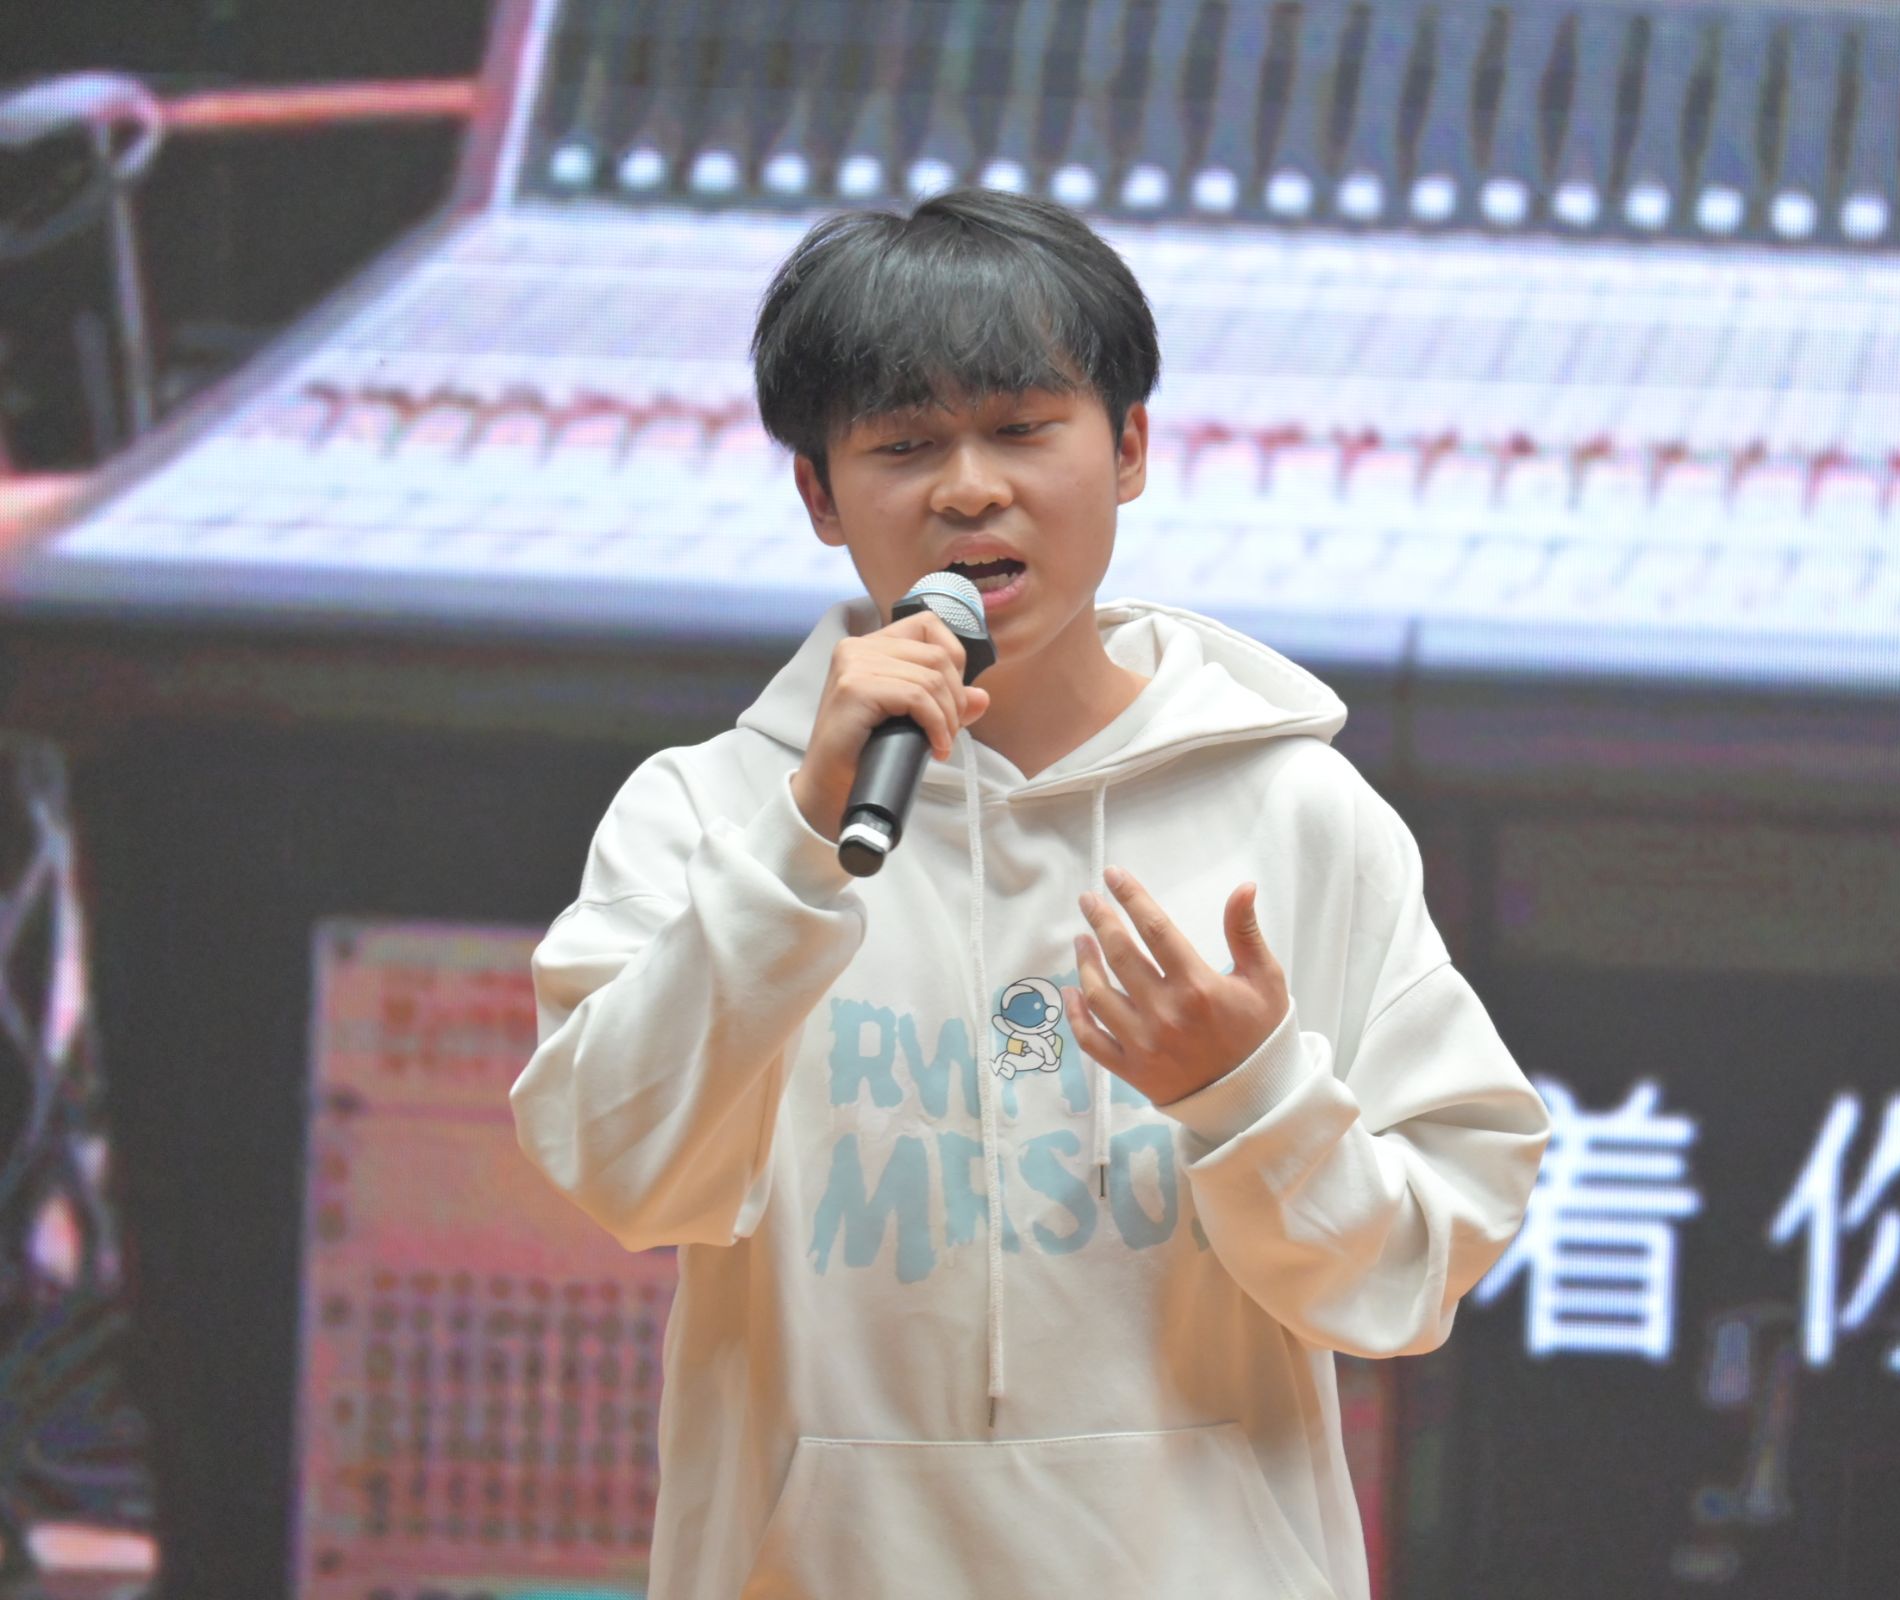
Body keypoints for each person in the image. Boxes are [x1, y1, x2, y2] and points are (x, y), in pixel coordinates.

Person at [509, 186, 1549, 1599]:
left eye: (1021, 428)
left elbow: (1409, 1278)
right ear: (819, 494)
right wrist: (799, 843)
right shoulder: (706, 813)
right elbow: (626, 1174)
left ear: (1128, 450)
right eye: (903, 444)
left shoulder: (1297, 813)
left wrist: (1247, 1095)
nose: (968, 488)